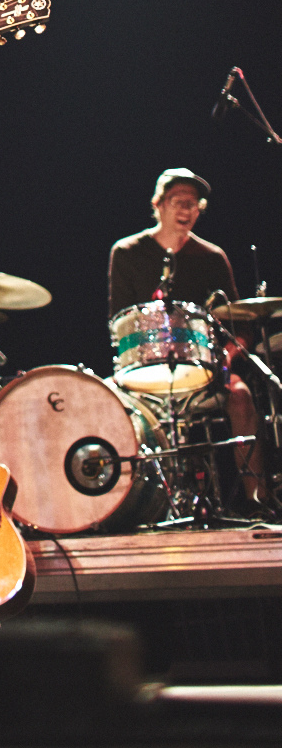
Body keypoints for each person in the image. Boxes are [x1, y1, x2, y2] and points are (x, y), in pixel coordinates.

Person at [108, 169, 263, 508]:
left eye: (194, 204)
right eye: (179, 201)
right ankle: (121, 507)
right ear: (158, 205)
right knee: (101, 402)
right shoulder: (127, 252)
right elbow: (119, 323)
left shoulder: (212, 257)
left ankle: (256, 500)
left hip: (203, 369)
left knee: (241, 395)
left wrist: (224, 358)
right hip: (142, 370)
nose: (187, 210)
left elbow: (241, 329)